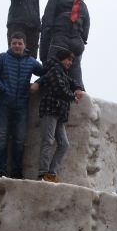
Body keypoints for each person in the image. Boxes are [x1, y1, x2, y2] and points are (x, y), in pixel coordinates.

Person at [0, 32, 44, 179]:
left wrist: (37, 83)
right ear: (10, 45)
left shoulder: (31, 61)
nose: (17, 46)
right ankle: (1, 170)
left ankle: (17, 172)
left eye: (19, 43)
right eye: (14, 43)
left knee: (19, 139)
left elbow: (46, 73)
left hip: (22, 106)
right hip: (3, 105)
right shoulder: (2, 58)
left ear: (24, 45)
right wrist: (3, 89)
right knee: (2, 137)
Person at [36, 49, 80, 183]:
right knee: (48, 141)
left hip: (59, 112)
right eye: (68, 60)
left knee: (64, 144)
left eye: (71, 60)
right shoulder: (55, 70)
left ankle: (51, 172)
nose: (70, 63)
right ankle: (43, 173)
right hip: (50, 109)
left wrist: (78, 87)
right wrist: (73, 96)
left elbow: (72, 82)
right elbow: (59, 89)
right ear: (61, 59)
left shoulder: (62, 72)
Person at [40, 0, 89, 92]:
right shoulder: (83, 6)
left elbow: (47, 22)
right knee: (75, 71)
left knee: (53, 67)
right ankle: (78, 92)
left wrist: (44, 52)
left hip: (59, 40)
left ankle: (49, 91)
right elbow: (86, 28)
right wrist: (81, 40)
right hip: (77, 43)